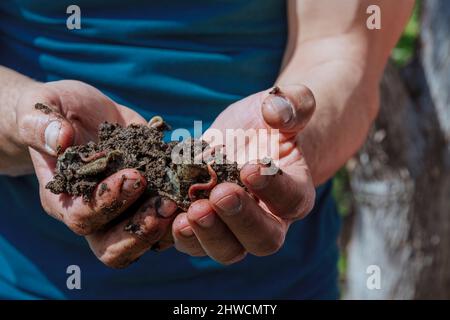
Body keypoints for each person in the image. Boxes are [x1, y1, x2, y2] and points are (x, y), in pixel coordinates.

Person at [0, 0, 413, 299]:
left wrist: (295, 136)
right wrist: (25, 118)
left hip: (278, 286)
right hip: (38, 282)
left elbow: (344, 45)